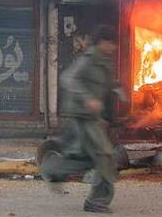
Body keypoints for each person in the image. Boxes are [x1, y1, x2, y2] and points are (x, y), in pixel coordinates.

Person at [40, 25, 125, 213]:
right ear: (103, 42)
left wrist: (118, 89)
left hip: (93, 117)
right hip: (82, 116)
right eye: (111, 43)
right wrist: (87, 98)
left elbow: (106, 82)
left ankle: (54, 170)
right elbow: (68, 78)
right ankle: (97, 201)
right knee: (105, 155)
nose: (114, 48)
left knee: (89, 157)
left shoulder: (105, 60)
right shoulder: (88, 59)